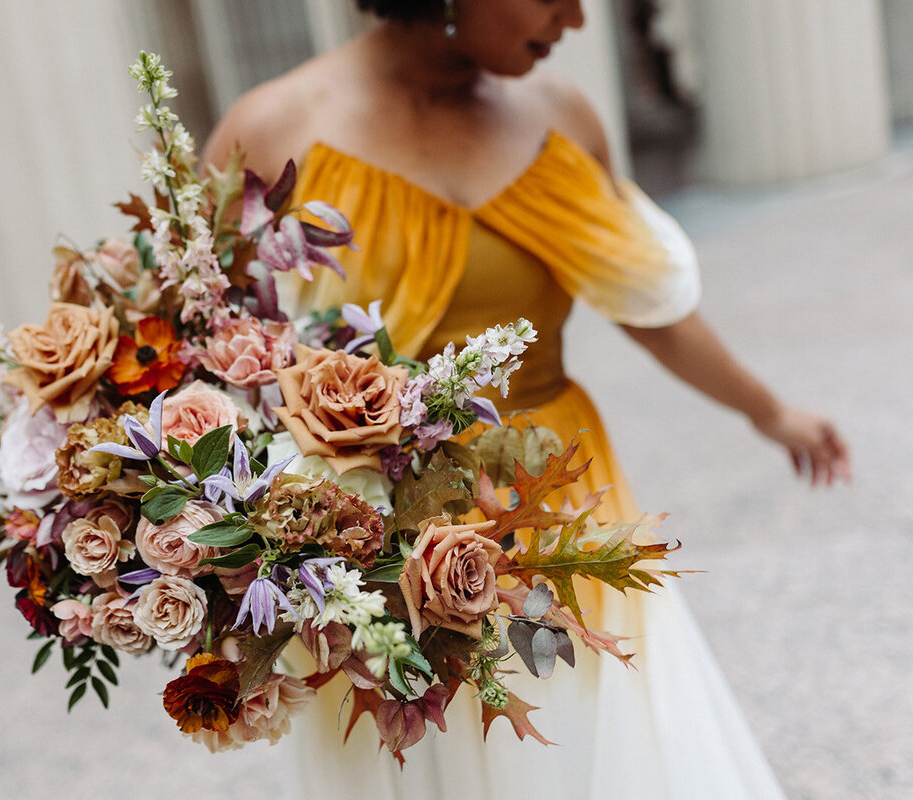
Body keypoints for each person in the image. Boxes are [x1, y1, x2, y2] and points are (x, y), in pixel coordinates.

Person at [204, 1, 851, 797]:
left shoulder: (562, 119)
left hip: (557, 493)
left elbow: (645, 305)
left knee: (580, 734)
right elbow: (200, 353)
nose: (576, 18)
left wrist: (766, 409)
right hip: (368, 534)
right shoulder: (270, 129)